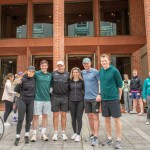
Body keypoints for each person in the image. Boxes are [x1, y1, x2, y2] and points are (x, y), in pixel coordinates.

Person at [99, 54, 123, 149]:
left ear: (108, 61)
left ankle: (119, 140)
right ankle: (109, 138)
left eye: (105, 60)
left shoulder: (114, 71)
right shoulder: (101, 71)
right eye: (102, 61)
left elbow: (120, 85)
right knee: (107, 119)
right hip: (104, 99)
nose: (104, 62)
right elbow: (100, 84)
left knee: (117, 119)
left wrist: (119, 98)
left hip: (114, 99)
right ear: (100, 62)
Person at [31, 60, 52, 142]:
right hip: (37, 99)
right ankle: (34, 134)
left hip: (47, 99)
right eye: (42, 65)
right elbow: (27, 74)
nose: (44, 67)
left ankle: (43, 134)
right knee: (35, 116)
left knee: (45, 117)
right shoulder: (36, 74)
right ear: (40, 66)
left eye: (45, 65)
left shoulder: (50, 75)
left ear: (47, 66)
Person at [14, 66, 35, 146]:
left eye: (33, 72)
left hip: (31, 101)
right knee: (20, 119)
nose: (31, 73)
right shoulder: (22, 79)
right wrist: (21, 95)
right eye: (30, 71)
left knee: (29, 119)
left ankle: (26, 136)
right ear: (27, 71)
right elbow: (16, 90)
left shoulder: (34, 79)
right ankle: (17, 137)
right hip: (22, 100)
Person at [82, 58, 101, 146]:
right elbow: (74, 73)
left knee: (95, 117)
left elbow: (99, 83)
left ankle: (96, 136)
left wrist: (99, 94)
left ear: (90, 63)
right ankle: (93, 134)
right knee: (89, 117)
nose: (86, 65)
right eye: (84, 64)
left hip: (95, 98)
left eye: (87, 63)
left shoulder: (95, 72)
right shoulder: (83, 72)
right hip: (86, 98)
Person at [51, 61, 70, 141]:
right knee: (55, 115)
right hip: (55, 96)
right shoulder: (53, 74)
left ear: (64, 66)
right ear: (57, 66)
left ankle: (63, 133)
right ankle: (55, 133)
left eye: (61, 66)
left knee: (63, 115)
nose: (60, 67)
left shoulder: (68, 74)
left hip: (65, 97)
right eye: (58, 66)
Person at [69, 67, 84, 142]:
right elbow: (67, 91)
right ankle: (74, 132)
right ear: (72, 73)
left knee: (79, 118)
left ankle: (78, 134)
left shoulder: (82, 82)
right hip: (71, 101)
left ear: (79, 73)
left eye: (76, 72)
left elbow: (84, 91)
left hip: (80, 101)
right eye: (74, 72)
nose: (75, 73)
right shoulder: (70, 81)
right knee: (73, 118)